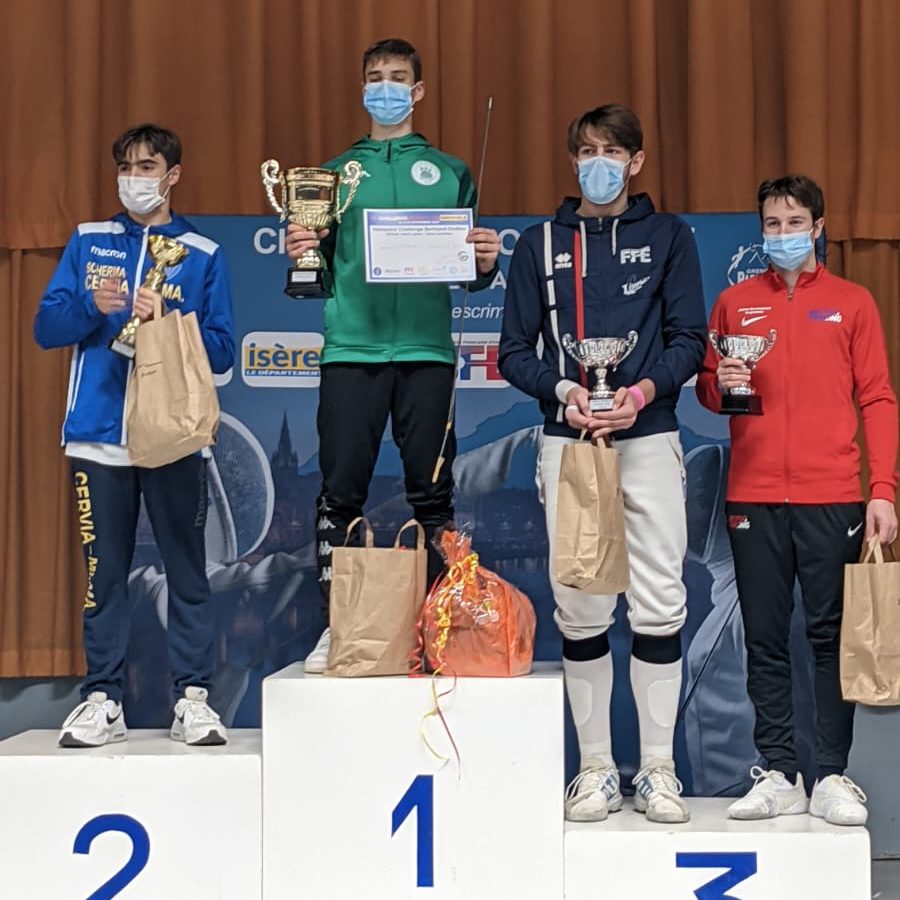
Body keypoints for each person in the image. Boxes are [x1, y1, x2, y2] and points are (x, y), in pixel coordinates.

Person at [498, 104, 707, 823]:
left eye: (612, 150)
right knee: (582, 604)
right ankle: (593, 770)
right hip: (569, 439)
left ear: (637, 161)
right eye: (586, 150)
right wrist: (564, 392)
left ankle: (657, 769)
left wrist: (642, 391)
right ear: (572, 159)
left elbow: (688, 340)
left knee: (658, 602)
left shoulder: (671, 238)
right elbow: (513, 352)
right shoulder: (538, 244)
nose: (599, 162)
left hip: (647, 437)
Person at [285, 38, 500, 673]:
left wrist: (483, 264)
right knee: (340, 492)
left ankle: (439, 627)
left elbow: (467, 269)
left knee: (433, 497)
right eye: (375, 77)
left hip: (428, 355)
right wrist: (303, 248)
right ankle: (340, 624)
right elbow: (315, 275)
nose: (386, 86)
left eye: (398, 77)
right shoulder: (331, 174)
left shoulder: (451, 170)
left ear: (418, 91)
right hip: (351, 351)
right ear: (361, 88)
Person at [697, 174, 898, 826]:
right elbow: (709, 388)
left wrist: (883, 490)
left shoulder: (852, 303)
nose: (781, 235)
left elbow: (878, 399)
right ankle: (779, 772)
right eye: (771, 225)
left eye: (794, 223)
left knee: (830, 639)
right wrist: (720, 383)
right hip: (753, 494)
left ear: (818, 228)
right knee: (763, 640)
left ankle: (832, 774)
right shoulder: (734, 303)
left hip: (832, 495)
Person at [34, 123, 236, 747]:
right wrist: (93, 306)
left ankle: (193, 699)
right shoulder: (89, 241)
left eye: (147, 167)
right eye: (126, 166)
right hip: (98, 436)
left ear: (172, 175)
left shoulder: (201, 252)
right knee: (105, 574)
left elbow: (225, 356)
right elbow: (47, 327)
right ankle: (103, 698)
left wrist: (169, 320)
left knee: (187, 571)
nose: (134, 177)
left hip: (174, 436)